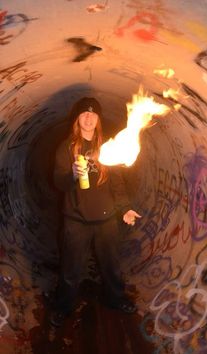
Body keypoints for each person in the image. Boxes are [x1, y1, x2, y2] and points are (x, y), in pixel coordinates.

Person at [50, 97, 141, 327]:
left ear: (98, 119)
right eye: (84, 114)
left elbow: (117, 182)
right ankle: (63, 307)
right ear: (77, 118)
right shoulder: (67, 147)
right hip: (76, 219)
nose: (88, 118)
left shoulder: (107, 146)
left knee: (111, 265)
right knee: (71, 269)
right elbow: (58, 182)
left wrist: (125, 208)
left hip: (106, 218)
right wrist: (71, 173)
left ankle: (115, 299)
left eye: (93, 114)